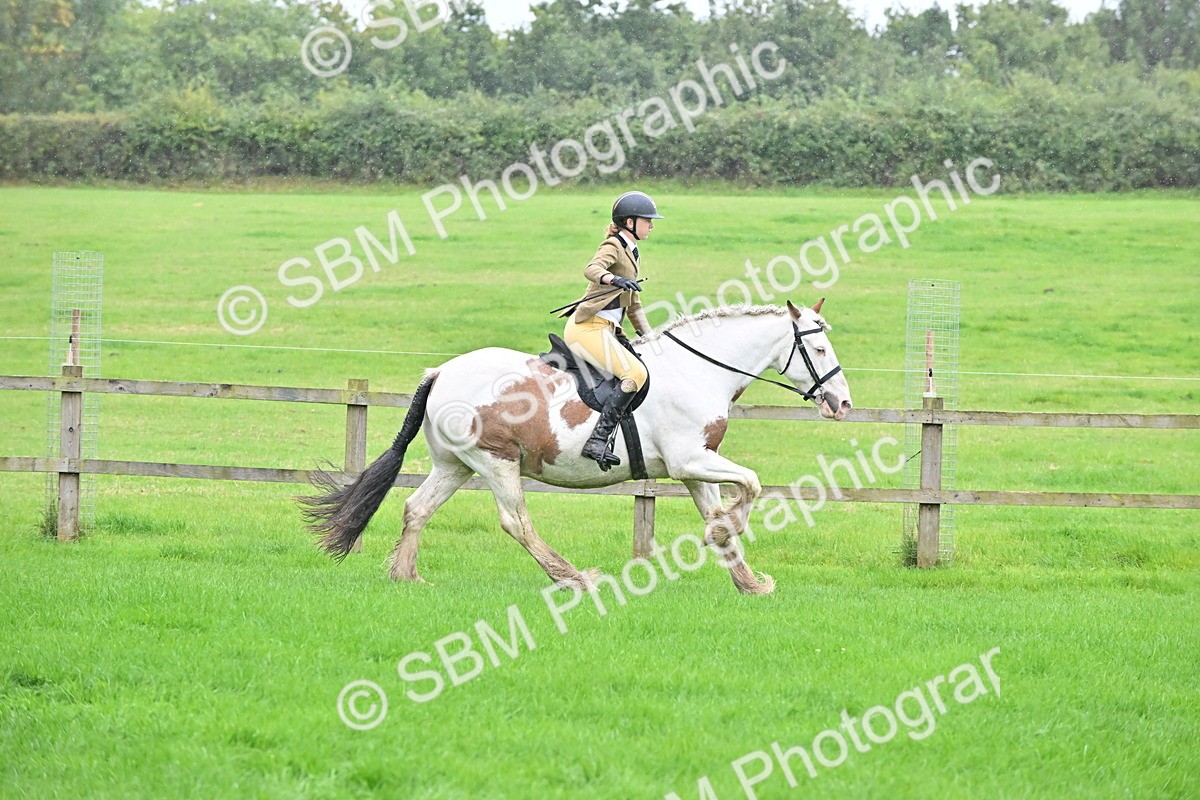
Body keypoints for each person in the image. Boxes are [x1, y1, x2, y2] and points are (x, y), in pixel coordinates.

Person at [563, 190, 663, 470]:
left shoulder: (632, 251)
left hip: (608, 329)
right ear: (629, 222)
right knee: (635, 373)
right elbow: (592, 268)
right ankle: (598, 440)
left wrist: (651, 337)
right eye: (647, 220)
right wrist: (613, 278)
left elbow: (634, 307)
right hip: (588, 328)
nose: (652, 225)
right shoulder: (613, 245)